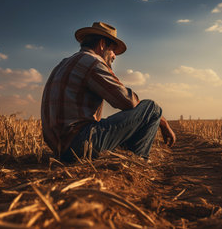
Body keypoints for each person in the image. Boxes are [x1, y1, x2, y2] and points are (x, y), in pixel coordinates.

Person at [41, 22, 176, 162]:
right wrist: (163, 123)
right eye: (113, 50)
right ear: (102, 44)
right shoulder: (92, 62)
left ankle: (129, 157)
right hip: (80, 145)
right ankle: (137, 162)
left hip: (61, 150)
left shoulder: (64, 63)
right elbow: (127, 101)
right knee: (152, 108)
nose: (114, 56)